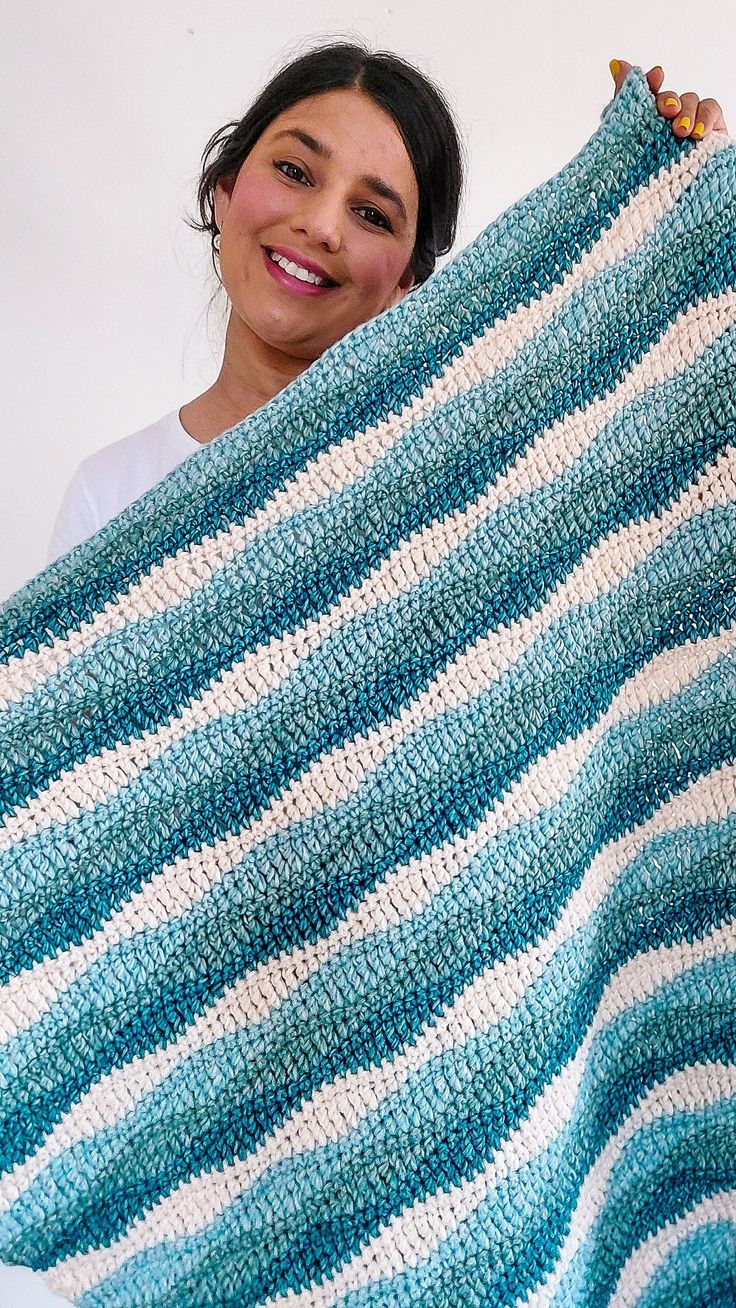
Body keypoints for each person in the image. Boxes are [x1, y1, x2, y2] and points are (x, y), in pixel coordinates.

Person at [45, 46, 729, 565]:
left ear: (408, 279)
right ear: (225, 189)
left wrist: (676, 218)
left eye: (372, 213)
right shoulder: (108, 495)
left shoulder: (456, 484)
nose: (322, 226)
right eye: (293, 172)